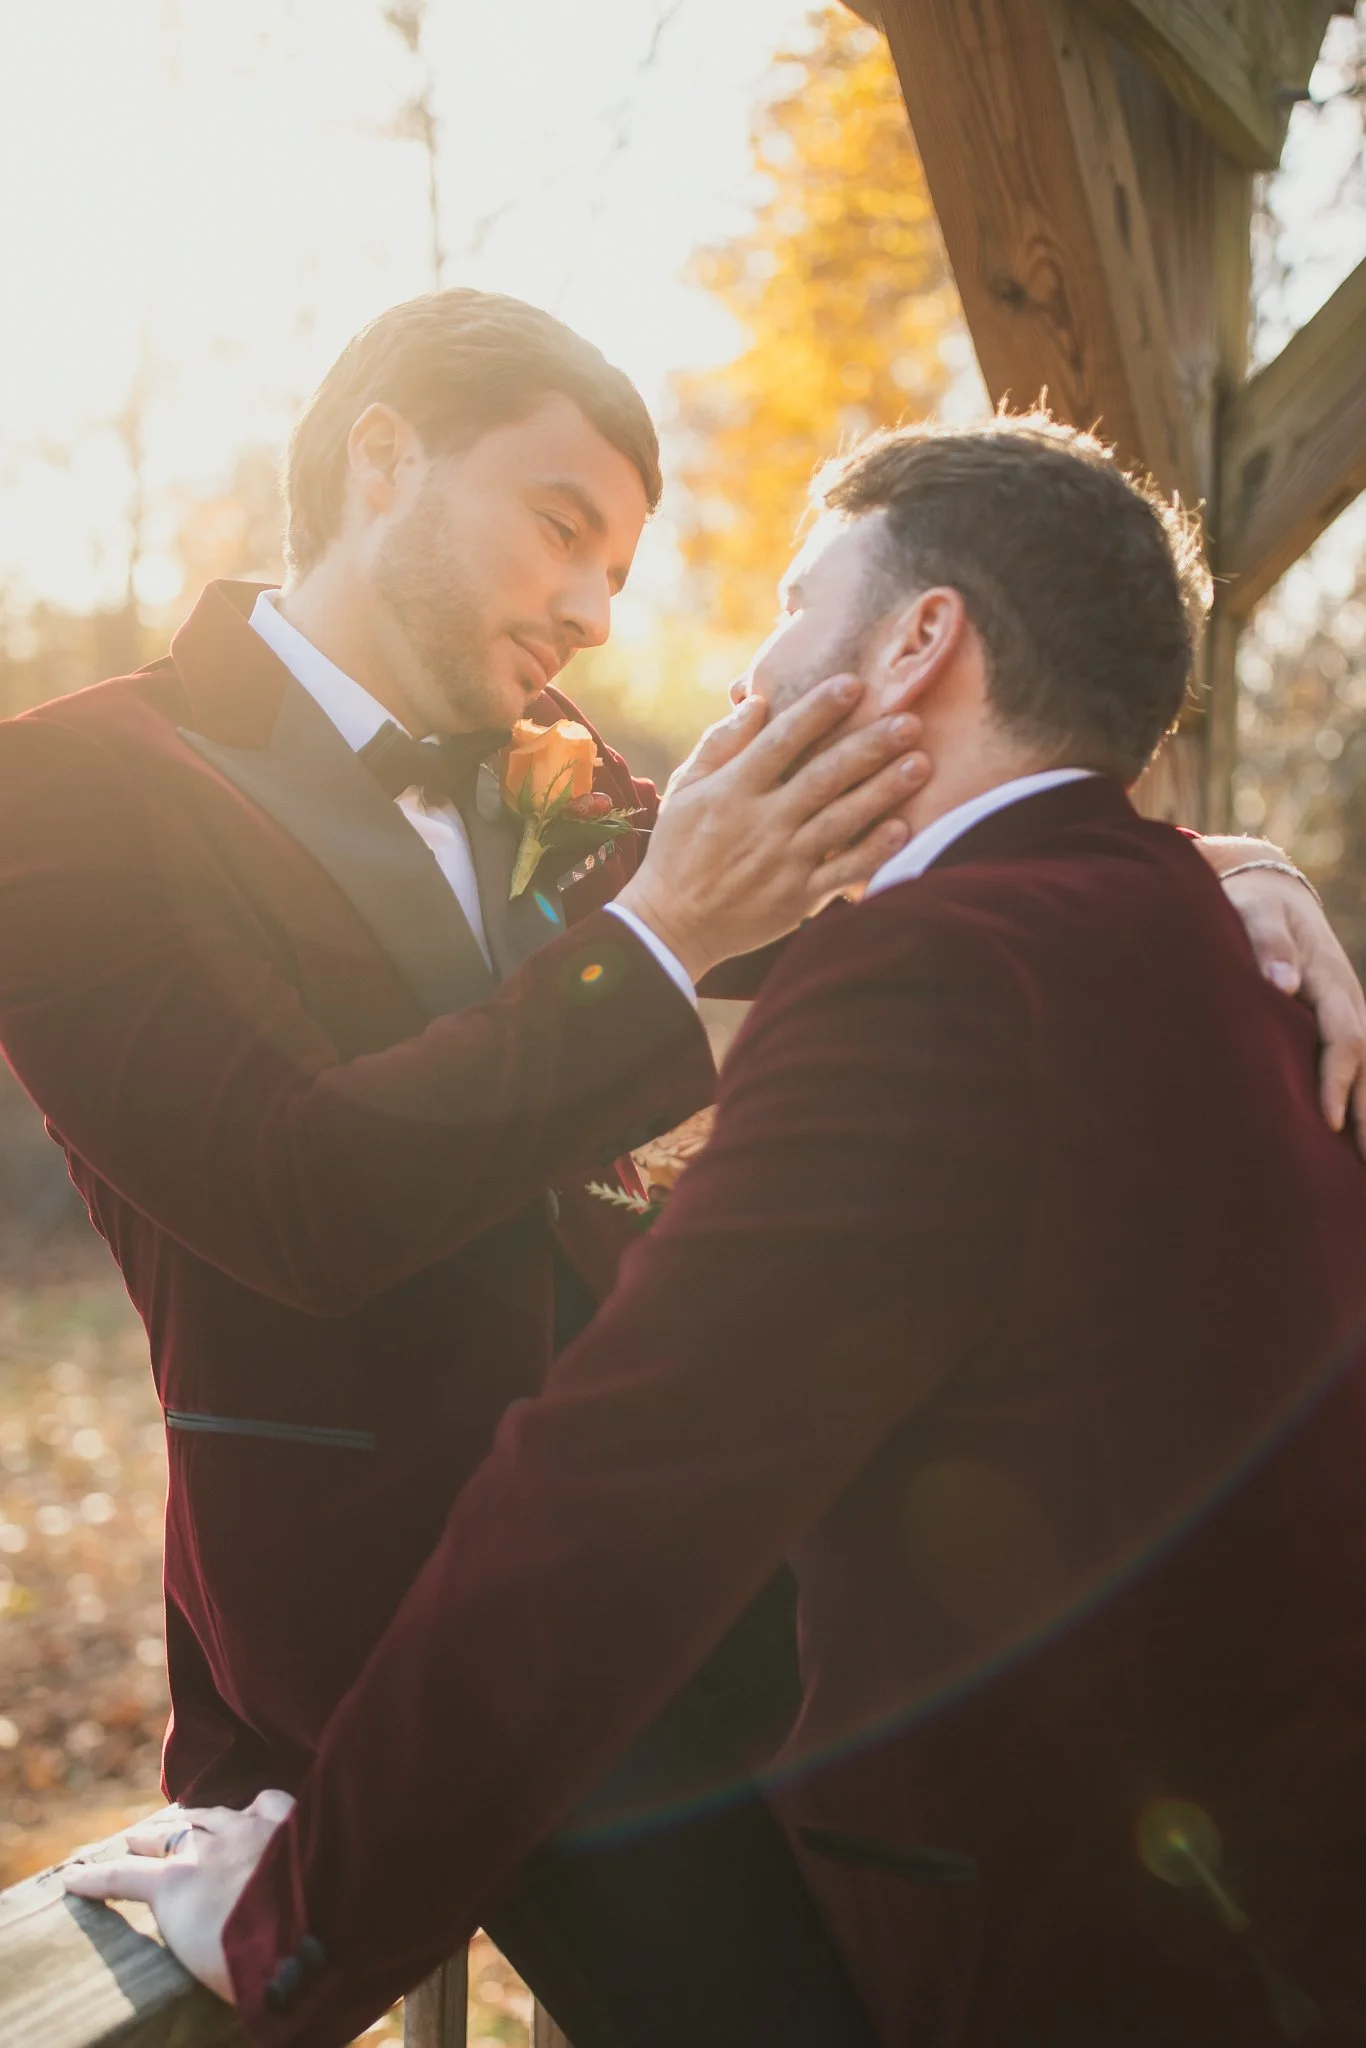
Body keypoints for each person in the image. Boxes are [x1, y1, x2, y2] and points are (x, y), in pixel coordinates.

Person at [74, 415, 1366, 2048]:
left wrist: (295, 1921)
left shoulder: (934, 980)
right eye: (567, 541)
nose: (728, 662)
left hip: (1050, 1943)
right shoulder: (1212, 949)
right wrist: (1231, 862)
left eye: (789, 598)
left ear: (916, 642)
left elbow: (614, 1509)